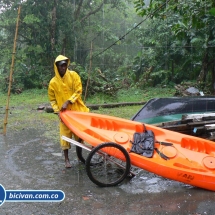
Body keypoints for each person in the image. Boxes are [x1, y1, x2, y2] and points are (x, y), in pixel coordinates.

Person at [48, 55, 89, 168]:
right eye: (61, 66)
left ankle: (80, 156)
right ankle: (66, 160)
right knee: (65, 136)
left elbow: (78, 90)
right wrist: (57, 111)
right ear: (57, 67)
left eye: (65, 65)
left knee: (79, 134)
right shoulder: (53, 83)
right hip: (64, 114)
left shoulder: (74, 75)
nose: (63, 67)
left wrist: (69, 101)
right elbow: (52, 99)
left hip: (76, 112)